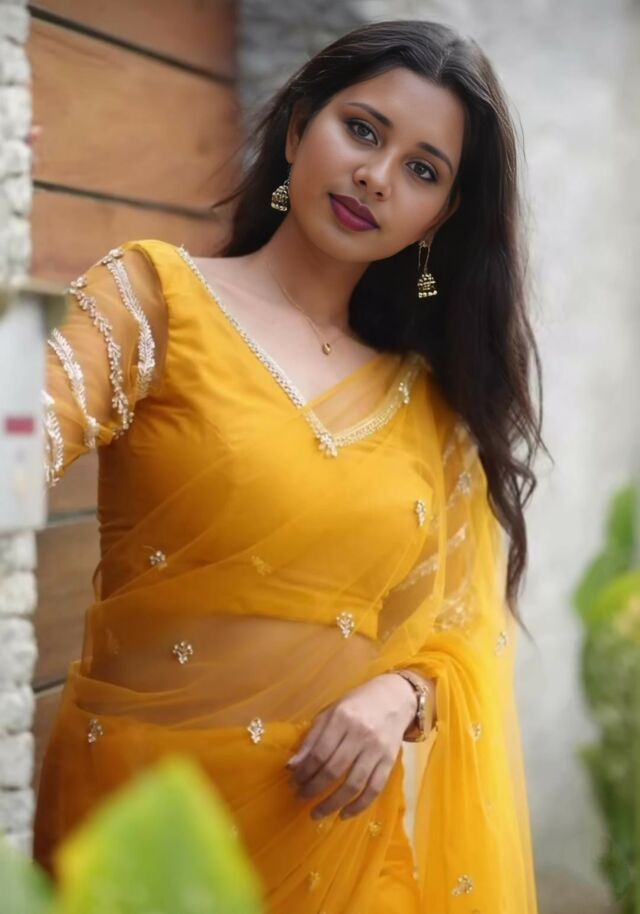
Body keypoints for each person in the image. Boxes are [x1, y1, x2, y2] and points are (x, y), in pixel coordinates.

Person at [33, 18, 545, 913]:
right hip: (144, 837)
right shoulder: (156, 300)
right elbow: (14, 442)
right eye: (363, 130)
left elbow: (459, 628)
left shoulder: (431, 408)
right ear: (302, 122)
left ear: (442, 216)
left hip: (345, 854)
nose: (376, 177)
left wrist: (403, 695)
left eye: (423, 170)